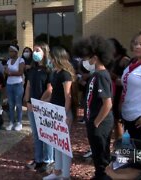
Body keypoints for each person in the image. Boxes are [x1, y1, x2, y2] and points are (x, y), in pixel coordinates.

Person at [73, 35, 114, 179]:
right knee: (97, 155)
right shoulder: (94, 75)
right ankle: (99, 176)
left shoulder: (102, 75)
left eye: (87, 57)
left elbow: (107, 103)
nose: (86, 61)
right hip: (93, 121)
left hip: (100, 123)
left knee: (102, 156)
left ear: (95, 58)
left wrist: (96, 122)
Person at [42, 46, 76, 179]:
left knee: (64, 146)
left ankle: (65, 175)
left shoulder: (65, 74)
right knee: (57, 143)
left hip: (63, 113)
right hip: (55, 112)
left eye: (52, 57)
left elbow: (68, 96)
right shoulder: (55, 73)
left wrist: (65, 114)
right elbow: (55, 94)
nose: (50, 59)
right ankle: (57, 171)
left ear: (57, 58)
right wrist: (44, 103)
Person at [24, 42, 54, 173]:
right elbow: (28, 86)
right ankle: (38, 159)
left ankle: (48, 161)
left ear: (45, 52)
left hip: (45, 106)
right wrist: (27, 101)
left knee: (46, 135)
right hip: (32, 106)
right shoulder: (32, 69)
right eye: (34, 50)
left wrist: (39, 103)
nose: (34, 53)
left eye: (38, 50)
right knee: (36, 135)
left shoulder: (50, 69)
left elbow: (50, 89)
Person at [108, 38, 131, 140]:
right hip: (112, 91)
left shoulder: (124, 60)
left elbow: (127, 78)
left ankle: (122, 145)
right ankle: (118, 143)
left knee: (119, 121)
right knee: (115, 120)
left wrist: (111, 75)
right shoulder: (111, 60)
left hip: (121, 92)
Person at [5, 44, 25, 131]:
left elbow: (20, 72)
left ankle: (19, 122)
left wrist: (10, 73)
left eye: (11, 51)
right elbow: (5, 70)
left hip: (18, 84)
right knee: (11, 104)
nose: (9, 53)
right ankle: (11, 122)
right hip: (9, 84)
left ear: (15, 52)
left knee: (18, 104)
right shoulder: (9, 61)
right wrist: (8, 72)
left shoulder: (21, 60)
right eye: (9, 51)